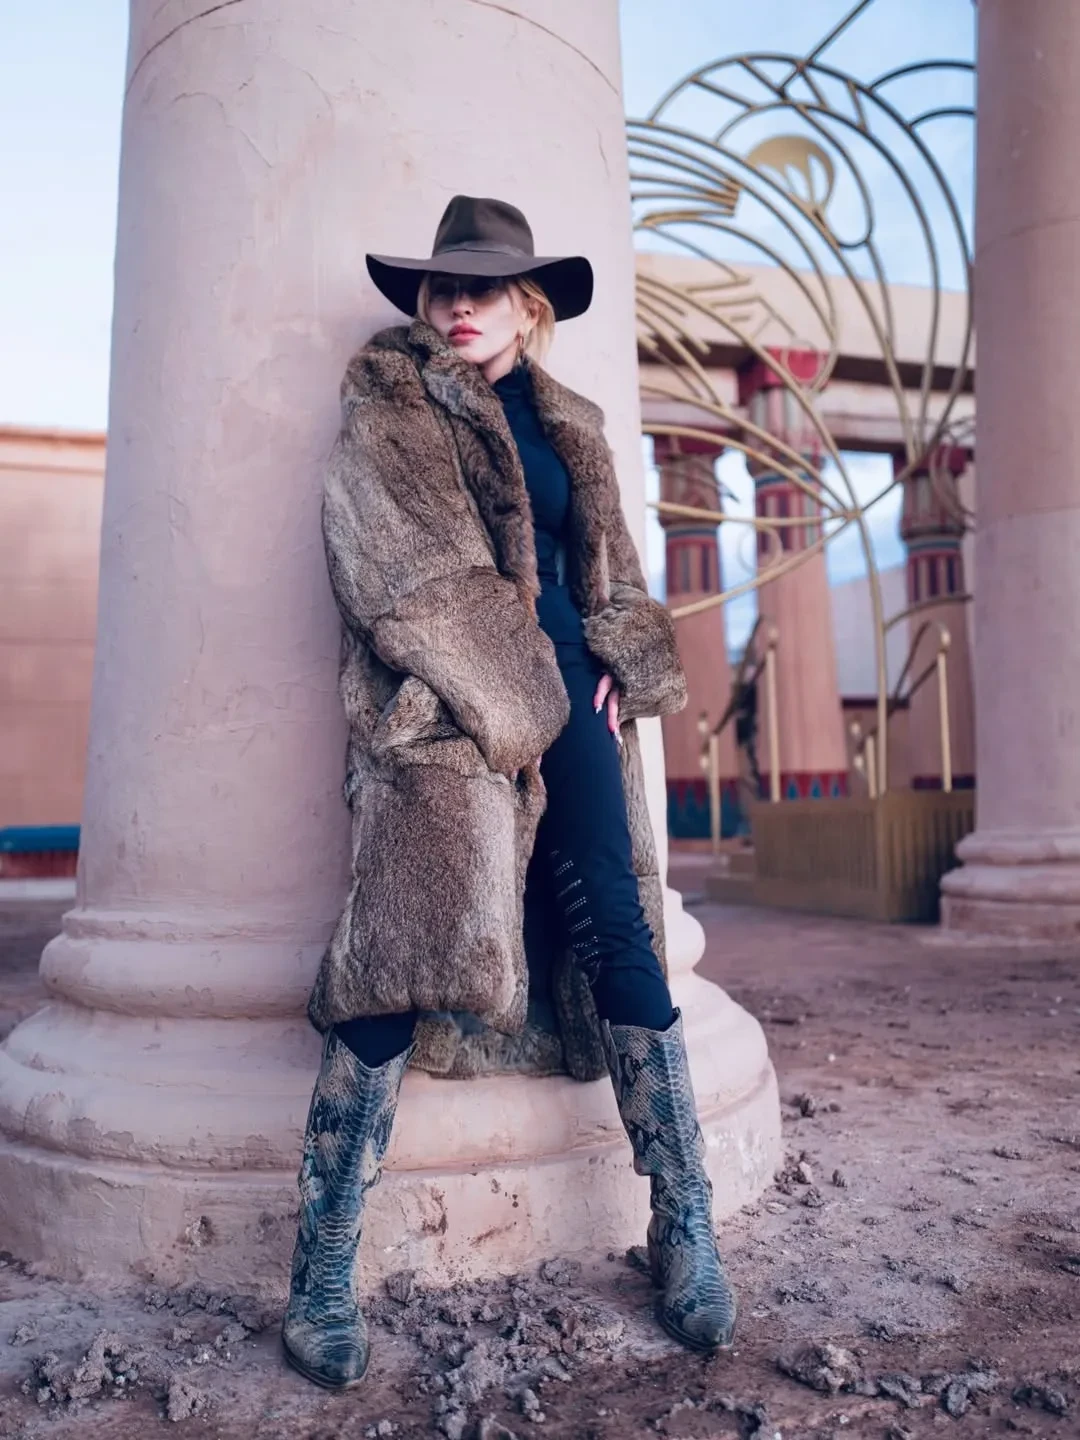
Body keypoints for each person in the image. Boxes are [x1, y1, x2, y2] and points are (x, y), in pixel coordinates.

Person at [282, 196, 737, 1389]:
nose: (459, 306)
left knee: (621, 931)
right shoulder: (390, 402)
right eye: (444, 288)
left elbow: (611, 572)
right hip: (450, 708)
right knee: (397, 950)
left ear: (529, 306)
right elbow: (398, 576)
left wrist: (621, 654)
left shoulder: (572, 421)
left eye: (483, 288)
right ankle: (321, 1268)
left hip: (573, 699)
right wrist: (513, 690)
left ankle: (683, 1222)